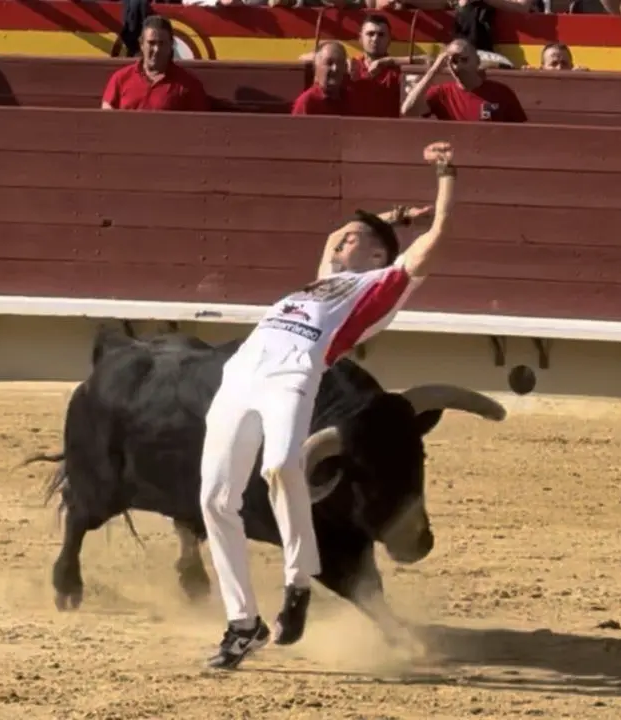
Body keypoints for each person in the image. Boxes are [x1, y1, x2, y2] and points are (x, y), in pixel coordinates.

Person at [199, 141, 458, 670]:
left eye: (354, 238)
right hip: (241, 372)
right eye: (342, 237)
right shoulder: (323, 276)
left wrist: (445, 173)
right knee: (215, 500)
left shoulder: (377, 286)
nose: (342, 237)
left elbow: (437, 239)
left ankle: (297, 584)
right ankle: (242, 623)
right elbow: (335, 233)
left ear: (378, 257)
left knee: (280, 466)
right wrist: (393, 216)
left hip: (294, 372)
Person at [400, 39, 526, 122]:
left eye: (464, 60)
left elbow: (521, 132)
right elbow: (408, 110)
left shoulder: (501, 92)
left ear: (477, 61)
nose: (458, 66)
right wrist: (434, 70)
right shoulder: (441, 93)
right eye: (453, 61)